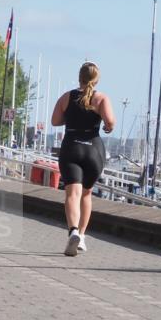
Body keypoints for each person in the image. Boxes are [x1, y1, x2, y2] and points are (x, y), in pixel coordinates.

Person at [51, 62, 115, 256]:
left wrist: (70, 119)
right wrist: (107, 126)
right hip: (93, 150)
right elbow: (110, 122)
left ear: (79, 77)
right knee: (86, 194)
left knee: (72, 194)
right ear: (96, 80)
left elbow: (55, 121)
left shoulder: (66, 97)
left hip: (71, 147)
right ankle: (82, 237)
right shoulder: (101, 98)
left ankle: (73, 231)